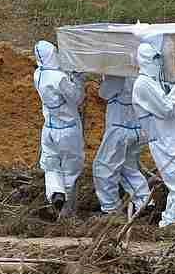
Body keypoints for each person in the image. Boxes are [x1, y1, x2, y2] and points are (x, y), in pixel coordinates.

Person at [132, 43, 175, 229]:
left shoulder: (153, 83)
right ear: (145, 60)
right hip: (164, 143)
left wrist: (174, 87)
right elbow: (165, 109)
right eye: (154, 59)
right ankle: (172, 224)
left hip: (173, 141)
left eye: (158, 58)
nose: (158, 63)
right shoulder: (143, 84)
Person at [33, 40, 86, 218]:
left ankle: (55, 192)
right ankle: (66, 212)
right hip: (67, 130)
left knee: (51, 165)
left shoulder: (37, 74)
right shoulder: (59, 78)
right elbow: (76, 98)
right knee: (70, 170)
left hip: (48, 128)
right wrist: (77, 78)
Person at [92, 75, 151, 219]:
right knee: (128, 168)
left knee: (104, 168)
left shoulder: (118, 74)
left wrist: (103, 81)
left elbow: (104, 93)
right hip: (138, 127)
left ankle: (110, 208)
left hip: (119, 129)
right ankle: (145, 201)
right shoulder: (142, 72)